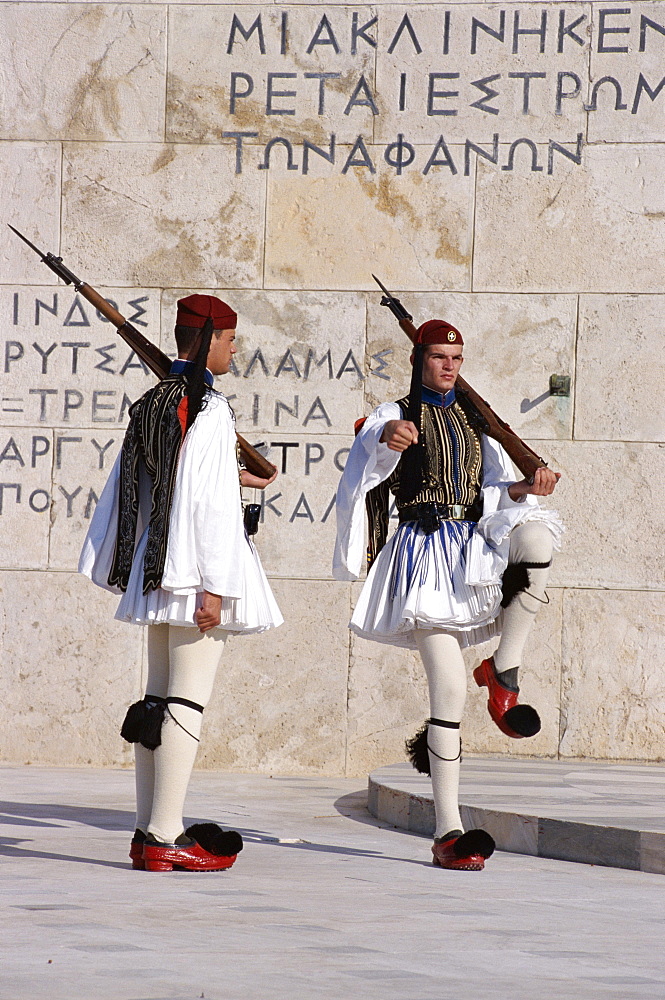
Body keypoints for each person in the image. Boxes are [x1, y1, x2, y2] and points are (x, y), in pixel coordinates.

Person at [333, 319, 562, 871]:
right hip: (423, 560)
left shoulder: (470, 418)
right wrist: (387, 440)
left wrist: (521, 489)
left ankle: (503, 672)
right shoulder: (398, 413)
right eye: (438, 356)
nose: (449, 366)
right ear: (419, 360)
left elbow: (485, 494)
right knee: (449, 691)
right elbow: (369, 444)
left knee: (536, 535)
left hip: (471, 553)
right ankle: (448, 830)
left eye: (456, 357)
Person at [80, 294, 282, 872]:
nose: (235, 348)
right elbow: (212, 505)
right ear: (210, 338)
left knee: (156, 700)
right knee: (185, 703)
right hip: (196, 572)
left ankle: (148, 832)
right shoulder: (210, 408)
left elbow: (142, 487)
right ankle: (168, 834)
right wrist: (214, 585)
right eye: (229, 338)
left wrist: (136, 564)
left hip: (156, 567)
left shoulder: (151, 403)